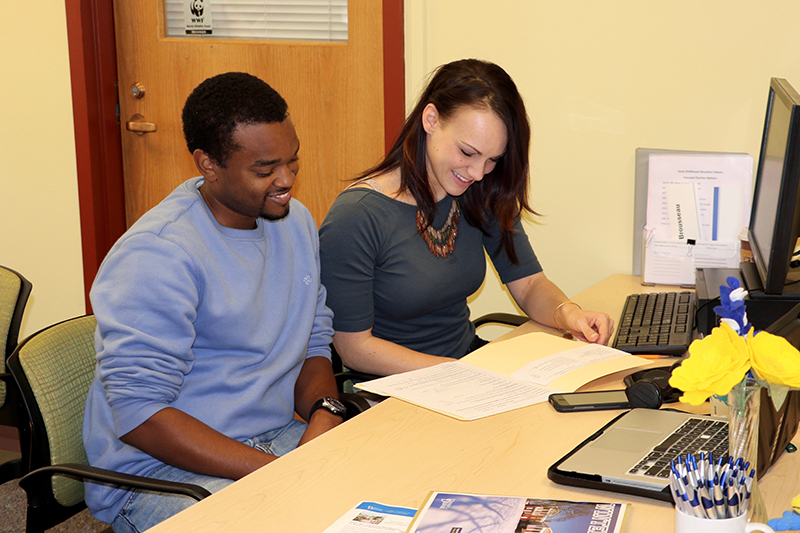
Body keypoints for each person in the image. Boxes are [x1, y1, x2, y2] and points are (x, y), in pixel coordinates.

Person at [83, 72, 346, 532]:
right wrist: (275, 471)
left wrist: (326, 412)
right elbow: (140, 415)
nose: (286, 181)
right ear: (208, 164)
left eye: (293, 162)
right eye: (265, 170)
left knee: (391, 490)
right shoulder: (159, 254)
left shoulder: (294, 222)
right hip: (159, 471)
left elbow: (314, 342)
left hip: (277, 436)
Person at [319, 59, 613, 377]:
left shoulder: (482, 190)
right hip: (392, 386)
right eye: (467, 152)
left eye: (492, 160)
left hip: (466, 365)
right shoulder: (358, 216)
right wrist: (460, 373)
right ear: (431, 120)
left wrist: (567, 314)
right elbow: (355, 349)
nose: (476, 173)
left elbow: (529, 285)